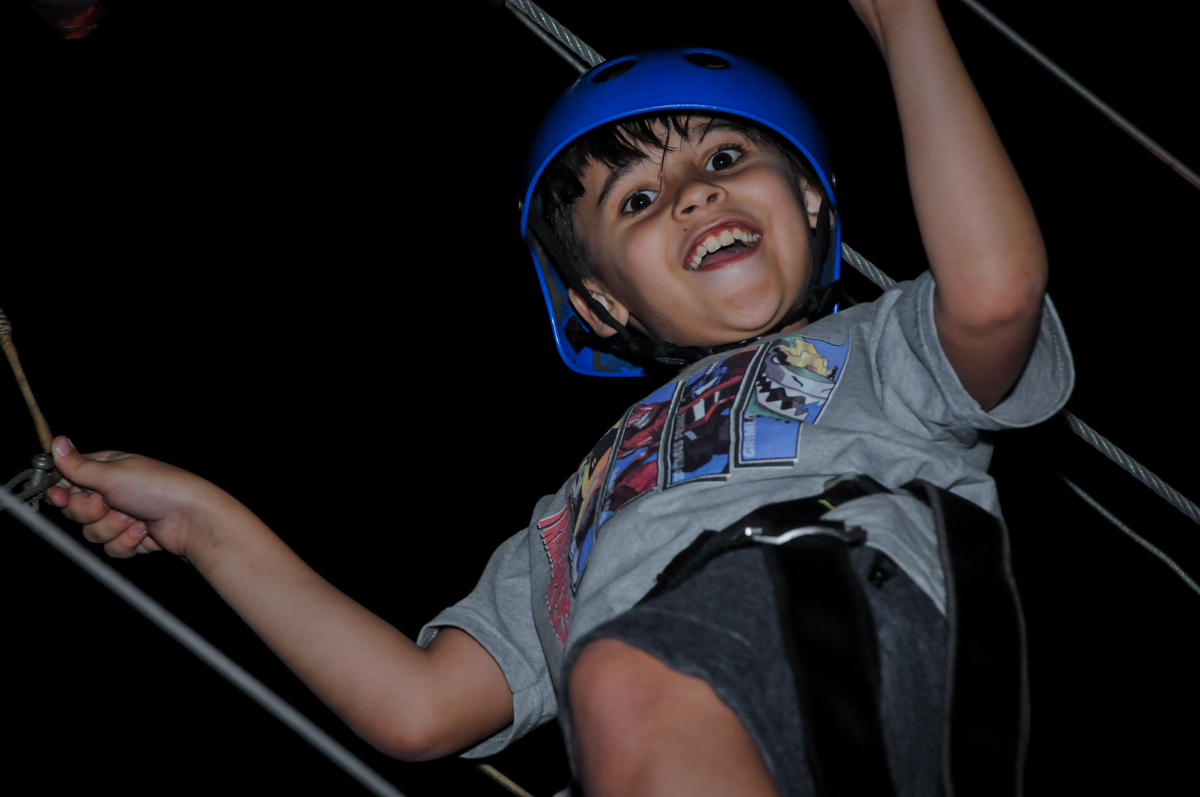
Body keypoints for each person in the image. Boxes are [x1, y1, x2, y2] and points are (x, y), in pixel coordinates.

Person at [45, 1, 1073, 794]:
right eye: (639, 200)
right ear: (599, 301)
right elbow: (418, 706)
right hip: (687, 710)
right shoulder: (575, 512)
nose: (696, 193)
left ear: (811, 200)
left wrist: (903, 18)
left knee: (622, 681)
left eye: (726, 157)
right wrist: (201, 523)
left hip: (840, 608)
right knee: (619, 691)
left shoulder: (874, 347)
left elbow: (994, 292)